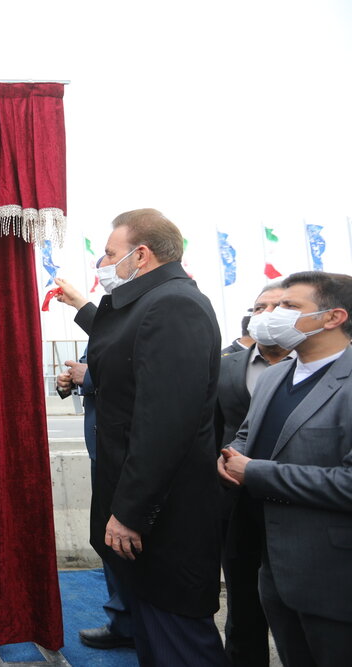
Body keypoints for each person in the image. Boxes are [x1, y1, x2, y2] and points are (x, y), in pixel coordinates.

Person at [81, 209, 225, 665]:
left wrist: (130, 512)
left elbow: (166, 423)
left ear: (140, 255)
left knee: (178, 641)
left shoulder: (173, 305)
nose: (102, 263)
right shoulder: (147, 303)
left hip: (164, 520)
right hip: (145, 516)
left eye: (110, 253)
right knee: (153, 640)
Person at [218, 271, 352, 666]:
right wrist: (229, 458)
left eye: (289, 306)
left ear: (333, 317)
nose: (272, 314)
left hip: (331, 572)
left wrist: (254, 472)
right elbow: (246, 436)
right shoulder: (277, 375)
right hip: (271, 565)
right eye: (271, 306)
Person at [54, 277, 135, 650]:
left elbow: (123, 374)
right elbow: (93, 374)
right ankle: (123, 620)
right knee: (109, 540)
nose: (105, 264)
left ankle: (137, 622)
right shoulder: (106, 333)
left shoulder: (146, 323)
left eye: (110, 253)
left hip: (129, 454)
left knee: (127, 540)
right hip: (102, 450)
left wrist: (92, 377)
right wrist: (70, 381)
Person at [215, 283, 293, 666]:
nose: (267, 315)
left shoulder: (323, 370)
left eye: (280, 306)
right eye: (260, 307)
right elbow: (215, 434)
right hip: (238, 507)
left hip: (302, 510)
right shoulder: (224, 366)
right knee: (244, 608)